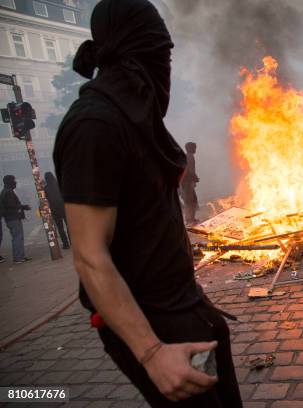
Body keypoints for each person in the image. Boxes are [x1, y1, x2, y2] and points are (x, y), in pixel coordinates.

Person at [52, 1, 242, 407]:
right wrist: (153, 354)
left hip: (184, 309)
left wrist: (195, 299)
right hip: (158, 331)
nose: (165, 64)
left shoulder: (134, 118)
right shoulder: (94, 125)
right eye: (160, 52)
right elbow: (89, 257)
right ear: (134, 49)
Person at [0, 175, 31, 264]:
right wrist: (24, 207)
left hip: (10, 218)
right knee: (18, 237)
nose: (15, 182)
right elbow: (11, 205)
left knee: (17, 237)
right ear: (9, 181)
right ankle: (18, 257)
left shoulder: (5, 191)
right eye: (14, 180)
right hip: (13, 218)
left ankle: (20, 256)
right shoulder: (8, 192)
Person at [44, 172, 70, 250]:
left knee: (60, 228)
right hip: (64, 209)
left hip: (55, 211)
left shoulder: (46, 188)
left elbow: (45, 199)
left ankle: (65, 244)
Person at [181, 142, 199, 225]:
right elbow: (190, 170)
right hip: (187, 183)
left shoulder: (187, 156)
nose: (195, 149)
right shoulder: (190, 157)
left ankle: (191, 218)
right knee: (190, 201)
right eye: (194, 148)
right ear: (191, 148)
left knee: (192, 200)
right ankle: (189, 220)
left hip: (187, 182)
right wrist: (194, 178)